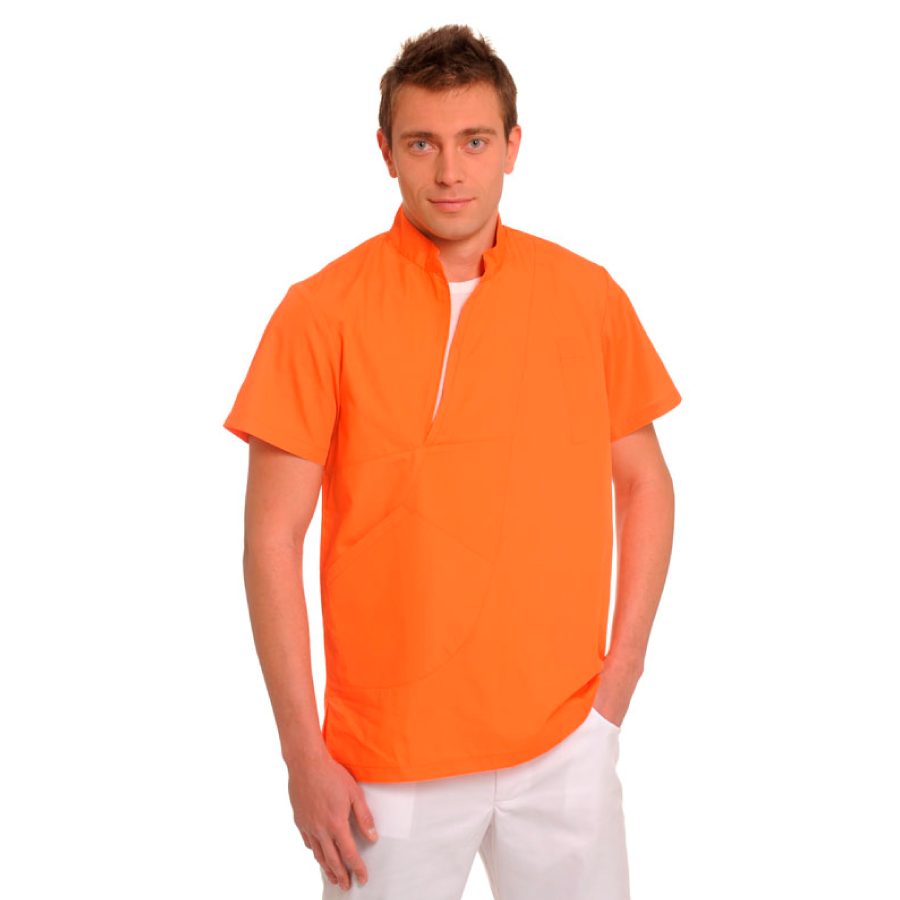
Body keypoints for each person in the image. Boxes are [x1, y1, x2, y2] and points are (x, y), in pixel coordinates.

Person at [223, 23, 681, 900]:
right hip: (385, 761)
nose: (449, 172)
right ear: (386, 152)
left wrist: (617, 683)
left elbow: (645, 481)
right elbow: (271, 539)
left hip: (564, 743)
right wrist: (302, 755)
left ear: (513, 146)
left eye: (474, 141)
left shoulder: (586, 296)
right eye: (422, 144)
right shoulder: (322, 312)